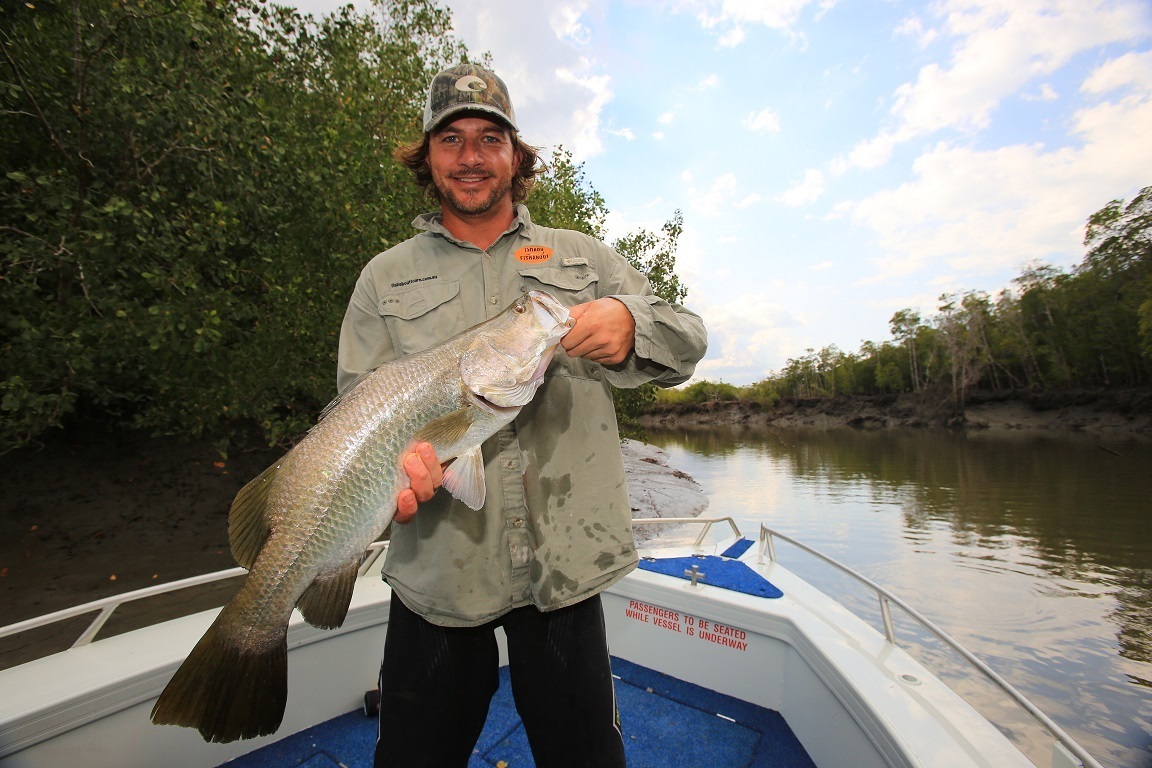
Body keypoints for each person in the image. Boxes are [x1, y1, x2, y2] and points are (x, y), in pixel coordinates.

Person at [336, 62, 707, 768]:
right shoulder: (382, 278)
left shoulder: (583, 258)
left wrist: (632, 322)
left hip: (565, 572)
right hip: (438, 581)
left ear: (517, 156)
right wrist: (395, 476)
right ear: (427, 158)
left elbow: (687, 336)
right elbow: (357, 411)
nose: (470, 157)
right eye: (451, 139)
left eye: (490, 138)